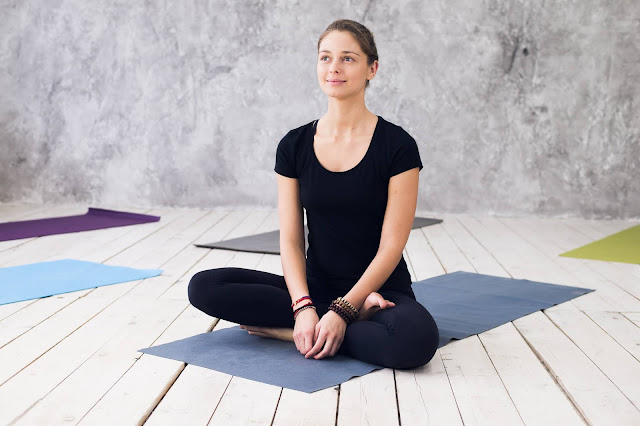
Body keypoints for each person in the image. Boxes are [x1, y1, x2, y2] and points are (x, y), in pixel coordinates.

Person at [188, 19, 439, 369]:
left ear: (372, 69)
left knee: (416, 342)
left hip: (381, 290)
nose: (334, 68)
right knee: (204, 286)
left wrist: (344, 310)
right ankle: (323, 326)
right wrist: (303, 307)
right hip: (315, 289)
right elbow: (291, 241)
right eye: (325, 58)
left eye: (348, 58)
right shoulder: (293, 145)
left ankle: (297, 333)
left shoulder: (397, 146)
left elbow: (391, 247)